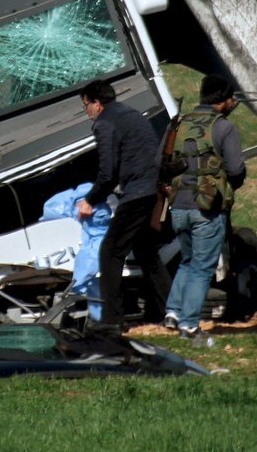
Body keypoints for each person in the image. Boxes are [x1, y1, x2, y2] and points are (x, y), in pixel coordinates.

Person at [76, 80, 171, 333]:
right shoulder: (132, 114)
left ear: (97, 103)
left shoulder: (104, 123)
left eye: (86, 105)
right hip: (151, 190)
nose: (86, 111)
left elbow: (108, 173)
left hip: (136, 193)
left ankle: (111, 319)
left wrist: (89, 200)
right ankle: (169, 311)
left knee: (110, 252)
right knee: (146, 253)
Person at [161, 74, 246, 338]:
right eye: (232, 96)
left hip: (177, 206)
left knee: (187, 262)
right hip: (207, 209)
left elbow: (161, 161)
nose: (234, 102)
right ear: (223, 99)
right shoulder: (223, 127)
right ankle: (189, 324)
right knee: (202, 267)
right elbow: (236, 169)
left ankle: (173, 313)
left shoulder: (179, 123)